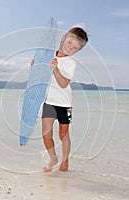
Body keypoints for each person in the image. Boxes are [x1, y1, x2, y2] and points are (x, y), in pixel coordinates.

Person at [32, 27, 88, 172]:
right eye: (69, 43)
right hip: (48, 101)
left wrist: (55, 68)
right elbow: (40, 77)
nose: (71, 48)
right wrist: (35, 66)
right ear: (64, 38)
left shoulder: (71, 62)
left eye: (75, 48)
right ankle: (53, 158)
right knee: (46, 134)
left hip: (64, 103)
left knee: (63, 134)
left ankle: (65, 161)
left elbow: (63, 84)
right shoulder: (48, 56)